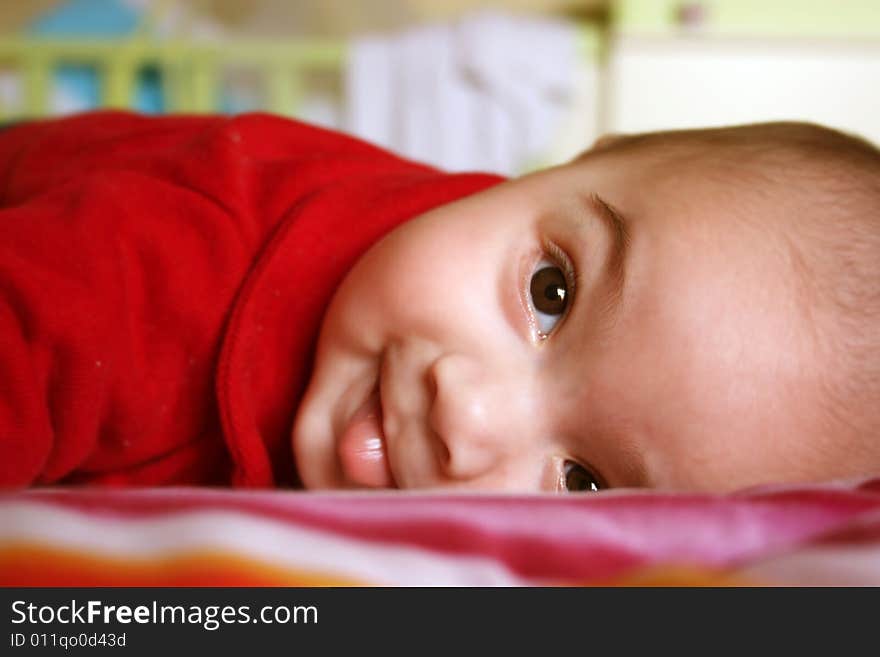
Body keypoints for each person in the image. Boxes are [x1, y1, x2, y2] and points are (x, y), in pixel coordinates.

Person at [1, 113, 878, 493]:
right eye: (552, 292)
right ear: (571, 164)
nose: (468, 413)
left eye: (583, 482)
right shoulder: (179, 256)